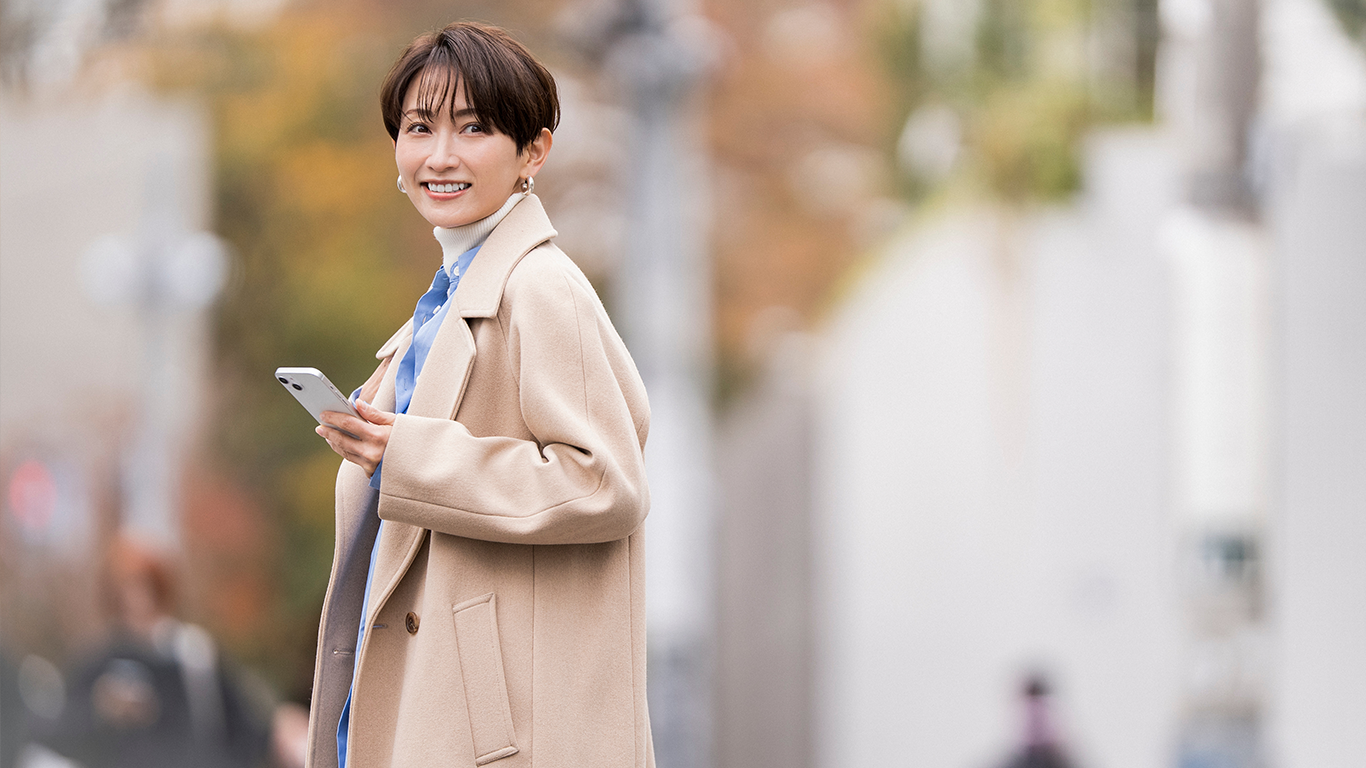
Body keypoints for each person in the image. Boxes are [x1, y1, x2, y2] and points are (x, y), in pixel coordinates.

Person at [308, 21, 653, 768]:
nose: (439, 155)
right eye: (418, 127)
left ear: (535, 151)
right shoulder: (438, 305)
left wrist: (411, 456)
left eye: (474, 128)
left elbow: (607, 481)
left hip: (498, 736)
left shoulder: (541, 288)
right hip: (421, 710)